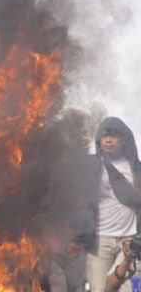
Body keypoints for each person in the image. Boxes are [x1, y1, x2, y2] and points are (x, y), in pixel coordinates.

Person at [85, 117, 141, 292]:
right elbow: (78, 200)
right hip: (101, 241)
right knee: (100, 289)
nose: (108, 140)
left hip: (129, 241)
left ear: (123, 139)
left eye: (113, 136)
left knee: (129, 290)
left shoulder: (135, 168)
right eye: (104, 136)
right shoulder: (90, 167)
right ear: (99, 141)